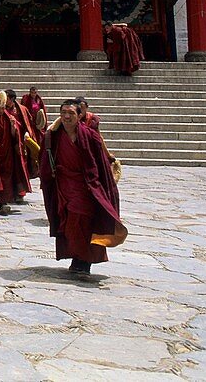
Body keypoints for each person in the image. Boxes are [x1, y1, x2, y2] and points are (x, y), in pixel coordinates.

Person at [40, 100, 127, 278]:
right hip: (64, 187)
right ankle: (77, 259)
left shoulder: (90, 136)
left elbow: (101, 165)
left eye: (71, 113)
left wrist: (105, 189)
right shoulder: (53, 137)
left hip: (87, 187)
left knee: (84, 220)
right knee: (70, 222)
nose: (66, 116)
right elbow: (44, 160)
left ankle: (84, 262)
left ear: (79, 116)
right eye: (63, 112)